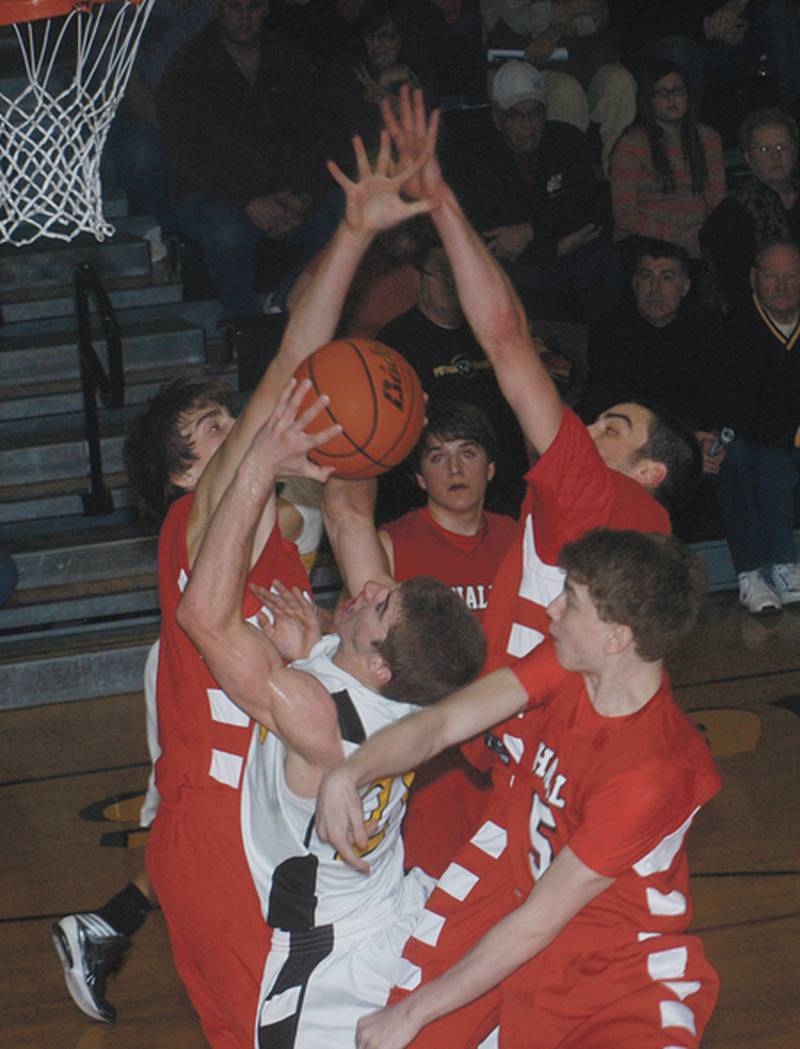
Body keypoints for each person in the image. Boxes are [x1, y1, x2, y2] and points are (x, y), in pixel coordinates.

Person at [52, 132, 434, 1046]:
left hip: (278, 816)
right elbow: (288, 377)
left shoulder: (276, 538)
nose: (241, 423)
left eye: (229, 415)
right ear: (189, 474)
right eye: (212, 427)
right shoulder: (199, 522)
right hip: (217, 829)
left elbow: (331, 466)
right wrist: (347, 236)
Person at [316, 527, 721, 1049]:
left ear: (617, 638)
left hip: (614, 972)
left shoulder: (653, 771)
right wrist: (351, 771)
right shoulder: (569, 668)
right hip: (515, 910)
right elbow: (444, 723)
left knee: (410, 1020)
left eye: (570, 601)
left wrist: (413, 1012)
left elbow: (538, 922)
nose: (551, 609)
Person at [177, 383, 486, 1049]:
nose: (369, 588)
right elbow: (348, 516)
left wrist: (261, 459)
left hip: (331, 961)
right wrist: (386, 414)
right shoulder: (413, 682)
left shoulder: (312, 711)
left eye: (377, 606)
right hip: (396, 907)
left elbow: (201, 616)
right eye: (387, 590)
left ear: (379, 664)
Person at [379, 401, 518, 877]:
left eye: (468, 453)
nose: (455, 468)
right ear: (419, 478)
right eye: (437, 457)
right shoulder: (388, 546)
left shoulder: (521, 542)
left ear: (492, 468)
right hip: (430, 764)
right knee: (430, 907)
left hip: (507, 754)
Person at [157, 0, 340, 320]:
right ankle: (246, 324)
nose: (244, 17)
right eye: (234, 7)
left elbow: (319, 138)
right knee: (226, 232)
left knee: (350, 212)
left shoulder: (291, 58)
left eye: (253, 7)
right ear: (217, 10)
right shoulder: (188, 65)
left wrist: (304, 196)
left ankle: (283, 300)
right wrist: (248, 201)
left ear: (267, 8)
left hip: (287, 192)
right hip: (214, 194)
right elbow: (188, 155)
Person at [442, 59, 624, 321]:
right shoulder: (476, 159)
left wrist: (533, 231)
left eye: (536, 113)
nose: (529, 125)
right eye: (518, 115)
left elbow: (589, 210)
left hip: (558, 252)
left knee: (604, 261)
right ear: (498, 118)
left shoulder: (566, 141)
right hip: (522, 262)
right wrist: (555, 244)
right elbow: (495, 239)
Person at [377, 240, 529, 518]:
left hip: (500, 478)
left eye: (456, 272)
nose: (449, 281)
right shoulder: (393, 343)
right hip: (430, 483)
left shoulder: (491, 332)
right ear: (418, 278)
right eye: (440, 271)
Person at [580, 237, 731, 476]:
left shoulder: (708, 329)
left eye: (667, 277)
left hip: (691, 438)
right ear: (634, 284)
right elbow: (608, 401)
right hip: (628, 440)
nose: (655, 288)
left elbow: (718, 398)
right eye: (647, 276)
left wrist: (710, 439)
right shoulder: (610, 330)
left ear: (685, 287)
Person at [716, 239, 800, 614]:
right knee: (748, 458)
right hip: (752, 437)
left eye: (791, 276)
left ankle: (784, 567)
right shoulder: (733, 328)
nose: (782, 286)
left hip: (787, 434)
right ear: (753, 278)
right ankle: (758, 571)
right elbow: (744, 411)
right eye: (771, 276)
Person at [482, 0, 637, 173]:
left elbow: (598, 15)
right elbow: (515, 17)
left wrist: (559, 29)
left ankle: (620, 175)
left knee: (620, 83)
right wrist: (569, 8)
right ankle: (566, 176)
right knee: (566, 93)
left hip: (584, 57)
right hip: (523, 64)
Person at [610, 58, 726, 260]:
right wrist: (677, 237)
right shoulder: (630, 145)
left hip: (697, 235)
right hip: (648, 239)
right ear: (649, 100)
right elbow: (625, 215)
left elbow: (717, 201)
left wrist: (700, 234)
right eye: (662, 93)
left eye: (678, 91)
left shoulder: (709, 138)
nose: (671, 99)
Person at [701, 107, 800, 313]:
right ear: (747, 158)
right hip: (756, 319)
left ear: (795, 152)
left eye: (783, 147)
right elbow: (734, 288)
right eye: (764, 149)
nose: (775, 156)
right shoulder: (732, 214)